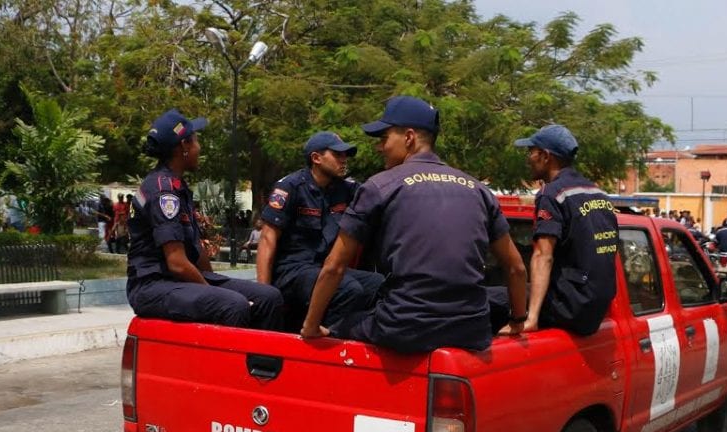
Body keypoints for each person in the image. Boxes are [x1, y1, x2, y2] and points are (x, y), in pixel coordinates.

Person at [301, 95, 528, 352]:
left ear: (409, 137)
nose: (379, 147)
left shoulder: (379, 186)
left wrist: (311, 326)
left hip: (405, 327)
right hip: (471, 329)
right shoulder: (478, 190)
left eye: (384, 138)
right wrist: (518, 321)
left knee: (339, 325)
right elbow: (516, 267)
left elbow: (334, 267)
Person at [126, 108, 283, 329]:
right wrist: (215, 292)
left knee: (269, 297)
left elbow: (195, 248)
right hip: (153, 285)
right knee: (234, 305)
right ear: (184, 146)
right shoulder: (164, 192)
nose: (199, 148)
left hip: (176, 282)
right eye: (196, 141)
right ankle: (230, 364)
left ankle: (262, 361)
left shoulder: (177, 186)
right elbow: (177, 263)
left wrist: (214, 281)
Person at [257, 131, 383, 327]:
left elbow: (378, 200)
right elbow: (267, 238)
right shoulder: (290, 187)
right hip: (292, 271)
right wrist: (264, 293)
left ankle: (350, 337)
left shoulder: (346, 189)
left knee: (378, 284)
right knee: (348, 289)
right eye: (337, 155)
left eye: (345, 155)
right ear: (316, 158)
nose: (344, 160)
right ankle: (323, 347)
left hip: (324, 270)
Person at [508, 123, 619, 335]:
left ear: (545, 156)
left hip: (568, 308)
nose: (528, 158)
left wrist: (530, 318)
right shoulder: (597, 194)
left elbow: (543, 256)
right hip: (595, 308)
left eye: (531, 152)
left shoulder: (552, 194)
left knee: (488, 298)